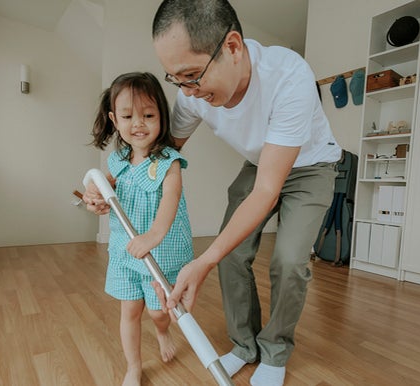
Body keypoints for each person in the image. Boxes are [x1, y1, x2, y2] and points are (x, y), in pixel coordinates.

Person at [150, 1, 342, 385]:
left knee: (288, 261)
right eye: (176, 79)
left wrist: (202, 261)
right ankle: (244, 346)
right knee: (231, 254)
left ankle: (275, 350)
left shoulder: (289, 76)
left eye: (192, 75)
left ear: (233, 46)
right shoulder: (191, 94)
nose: (188, 90)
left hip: (311, 166)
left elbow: (268, 190)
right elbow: (162, 154)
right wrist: (114, 181)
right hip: (261, 163)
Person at [86, 72, 193, 386]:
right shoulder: (118, 160)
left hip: (159, 253)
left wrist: (154, 235)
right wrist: (96, 196)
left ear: (161, 115)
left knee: (159, 313)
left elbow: (170, 201)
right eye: (128, 116)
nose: (139, 124)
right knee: (129, 312)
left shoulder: (169, 162)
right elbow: (104, 186)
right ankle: (134, 367)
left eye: (148, 115)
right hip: (125, 252)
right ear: (114, 120)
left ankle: (162, 331)